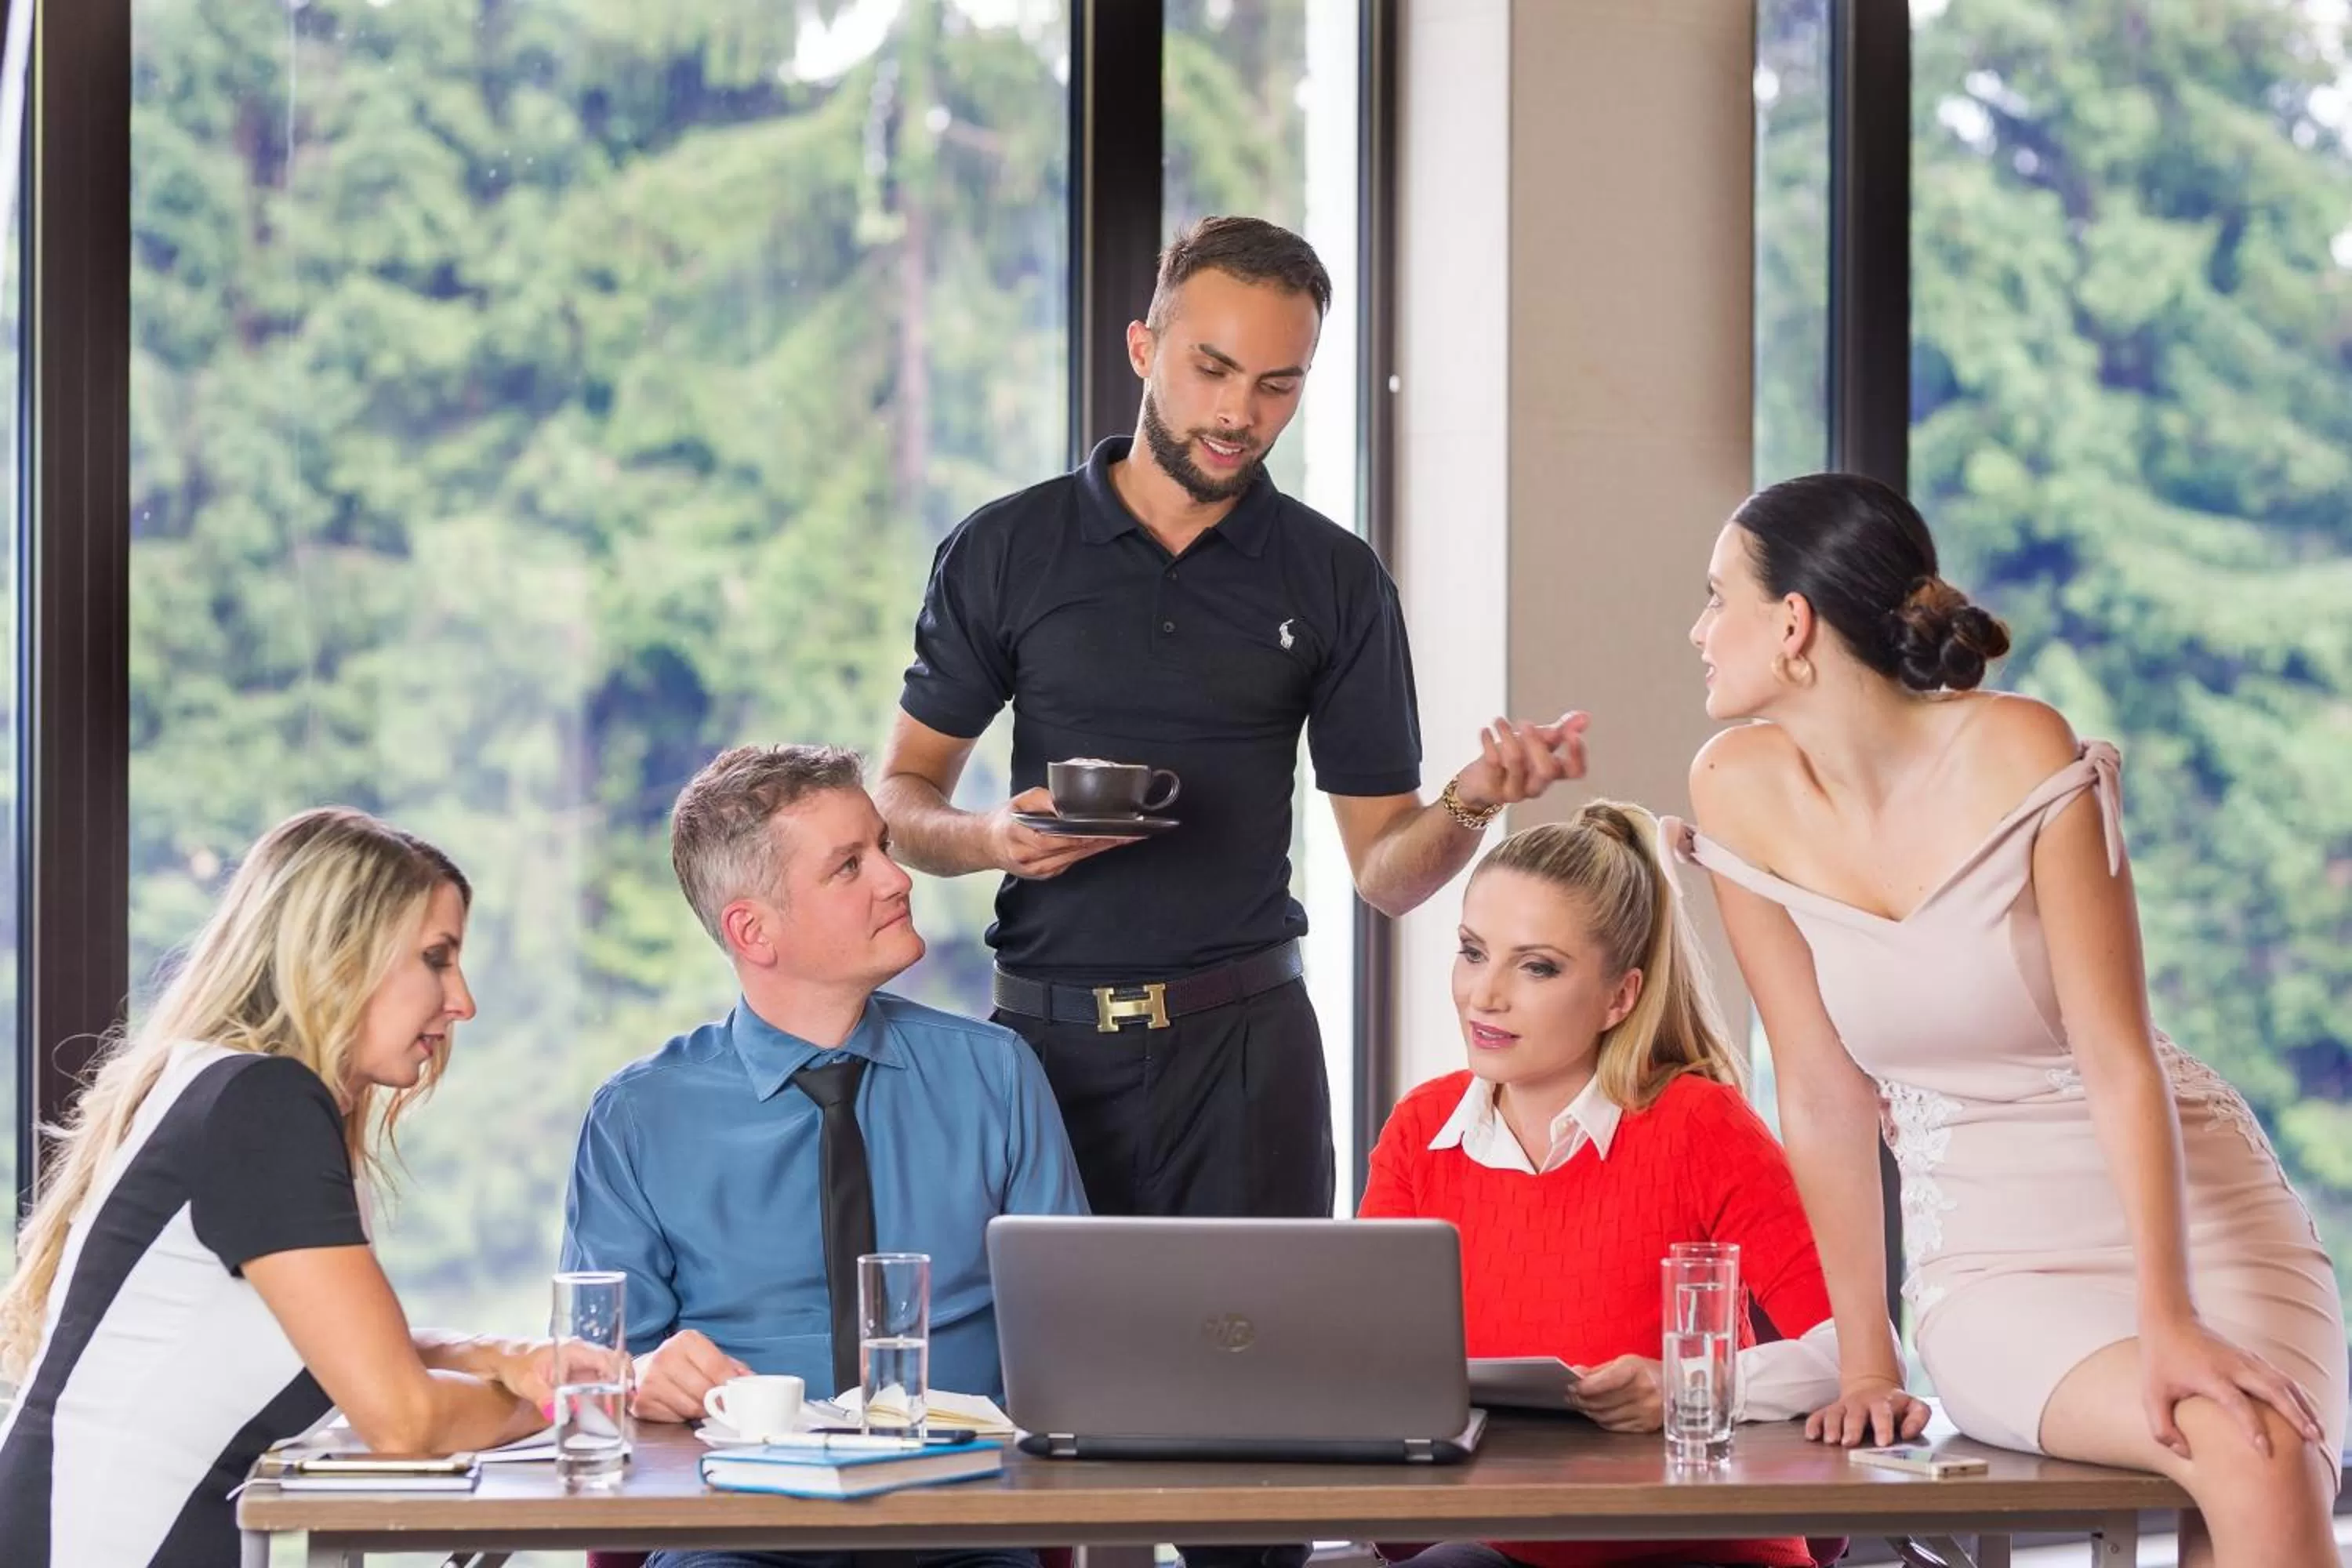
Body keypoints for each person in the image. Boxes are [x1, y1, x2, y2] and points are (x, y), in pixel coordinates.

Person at [1678, 472, 2344, 1568]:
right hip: (1993, 1262)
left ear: (1792, 622)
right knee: (2243, 1444)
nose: (1701, 631)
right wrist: (1865, 1364)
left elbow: (2120, 1059)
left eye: (1715, 598)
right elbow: (1819, 1086)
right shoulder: (1736, 788)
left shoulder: (2022, 750)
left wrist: (2170, 1317)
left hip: (2197, 1222)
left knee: (2260, 1451)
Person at [879, 214, 1589, 1240]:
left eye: (1277, 385)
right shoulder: (1005, 550)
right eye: (1212, 368)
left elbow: (1387, 873)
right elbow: (900, 800)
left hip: (1250, 1060)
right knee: (1045, 1393)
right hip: (1041, 1054)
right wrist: (993, 839)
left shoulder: (1337, 580)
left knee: (1263, 1397)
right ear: (1143, 348)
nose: (1237, 412)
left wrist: (1473, 799)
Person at [558, 744, 1087, 1568]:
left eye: (882, 844)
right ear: (752, 930)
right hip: (733, 1535)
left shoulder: (997, 1075)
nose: (897, 877)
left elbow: (1075, 1349)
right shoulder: (637, 1118)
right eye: (850, 866)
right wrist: (640, 1375)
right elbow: (595, 1379)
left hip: (963, 1532)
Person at [0, 808, 550, 1568]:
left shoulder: (215, 1085)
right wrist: (571, 1409)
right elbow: (403, 1419)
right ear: (341, 954)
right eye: (436, 957)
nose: (462, 1001)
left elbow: (337, 1348)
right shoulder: (264, 1107)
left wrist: (501, 1354)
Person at [1361, 805, 1869, 1568]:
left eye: (1536, 965)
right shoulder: (1421, 1129)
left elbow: (1857, 1352)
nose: (1484, 994)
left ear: (1621, 997)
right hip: (1493, 1542)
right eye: (1473, 951)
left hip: (1696, 1547)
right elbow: (1363, 1352)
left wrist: (1688, 1385)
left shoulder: (1700, 1122)